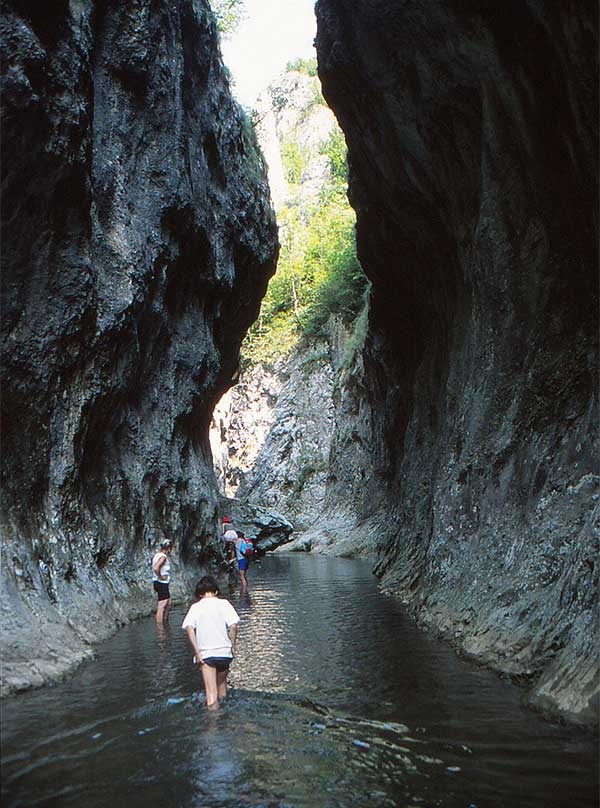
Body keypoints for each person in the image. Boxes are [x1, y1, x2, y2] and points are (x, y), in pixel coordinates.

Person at [182, 576, 240, 708]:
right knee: (222, 689)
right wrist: (233, 646)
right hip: (225, 653)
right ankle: (226, 718)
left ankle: (213, 726)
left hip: (207, 655)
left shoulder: (196, 607)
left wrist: (197, 652)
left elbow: (189, 628)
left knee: (211, 695)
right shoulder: (225, 604)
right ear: (216, 591)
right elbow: (234, 626)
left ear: (200, 593)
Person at [152, 539, 173, 623]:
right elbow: (156, 568)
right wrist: (161, 577)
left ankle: (165, 622)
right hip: (161, 583)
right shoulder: (163, 557)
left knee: (168, 603)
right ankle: (160, 630)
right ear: (169, 548)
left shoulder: (157, 555)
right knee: (161, 606)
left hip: (158, 583)